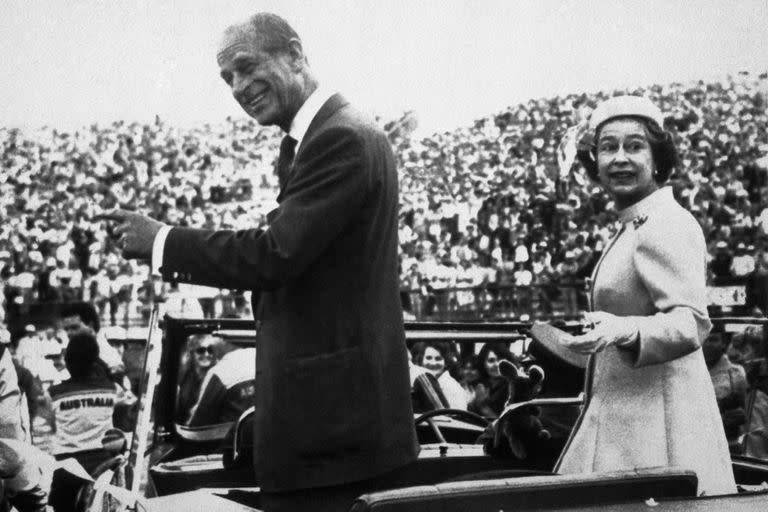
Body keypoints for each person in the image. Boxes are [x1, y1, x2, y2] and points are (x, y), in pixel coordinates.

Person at [98, 12, 418, 511]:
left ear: (294, 54)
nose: (238, 87)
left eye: (246, 67)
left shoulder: (340, 138)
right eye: (228, 78)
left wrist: (164, 240)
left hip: (338, 436)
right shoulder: (318, 137)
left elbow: (274, 255)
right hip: (332, 429)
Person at [555, 95, 735, 495]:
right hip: (627, 418)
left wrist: (622, 329)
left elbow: (691, 322)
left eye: (635, 146)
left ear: (657, 158)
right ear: (594, 161)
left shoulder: (665, 224)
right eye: (608, 147)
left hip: (660, 429)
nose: (620, 158)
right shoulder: (635, 223)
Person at [48, 329, 119, 474]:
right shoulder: (111, 390)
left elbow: (44, 432)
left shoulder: (54, 394)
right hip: (103, 465)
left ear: (67, 361)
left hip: (67, 467)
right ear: (94, 361)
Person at [176, 334, 222, 423]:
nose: (206, 354)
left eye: (210, 350)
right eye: (201, 350)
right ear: (192, 353)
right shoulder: (184, 376)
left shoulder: (218, 377)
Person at [410, 341, 467, 410]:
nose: (433, 363)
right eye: (428, 358)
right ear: (422, 360)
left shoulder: (454, 388)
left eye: (438, 359)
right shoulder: (420, 379)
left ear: (445, 362)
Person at [468, 342, 517, 418]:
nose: (497, 364)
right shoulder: (481, 385)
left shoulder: (513, 387)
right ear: (483, 363)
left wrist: (483, 407)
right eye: (491, 360)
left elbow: (504, 424)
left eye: (501, 360)